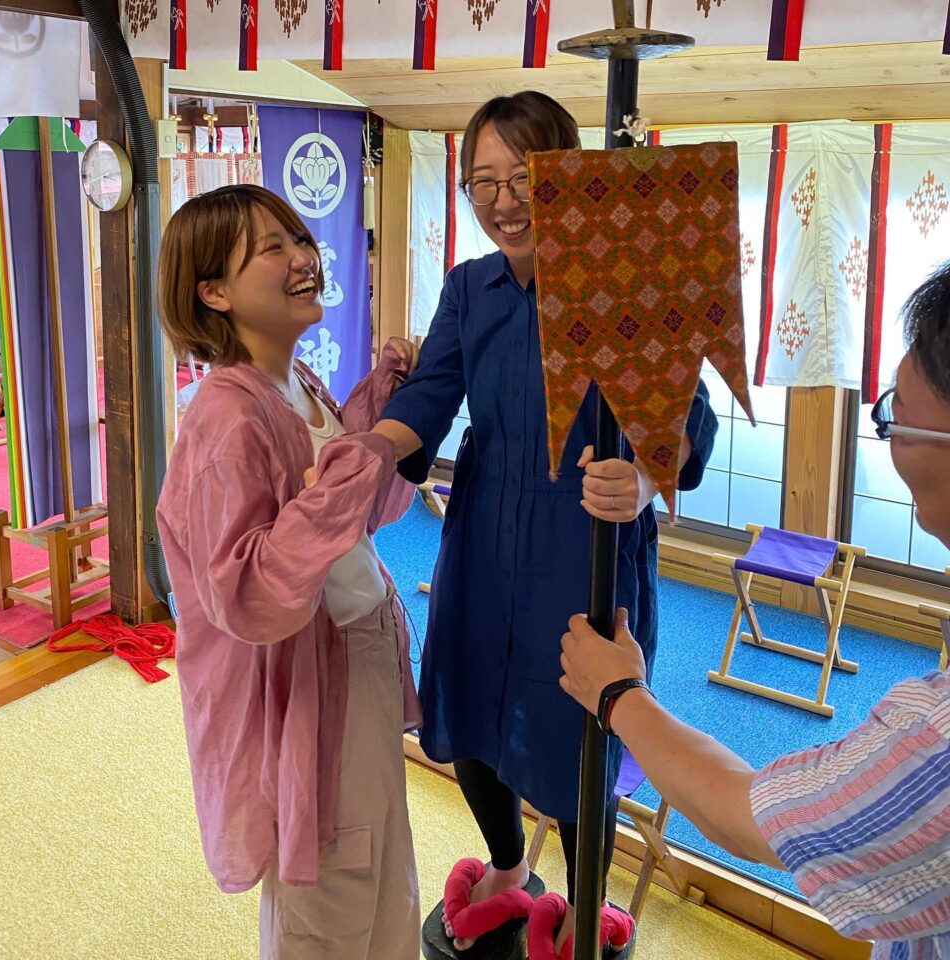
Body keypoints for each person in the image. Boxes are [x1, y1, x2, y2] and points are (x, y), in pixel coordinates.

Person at [372, 91, 719, 952]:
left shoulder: (625, 279)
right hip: (484, 531)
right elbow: (430, 396)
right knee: (470, 709)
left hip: (585, 541)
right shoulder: (468, 287)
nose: (502, 200)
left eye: (523, 175)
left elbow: (692, 411)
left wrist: (643, 480)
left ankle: (585, 899)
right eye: (481, 181)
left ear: (570, 173)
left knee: (580, 731)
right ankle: (505, 866)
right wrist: (362, 453)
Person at [559, 262, 950, 959]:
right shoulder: (489, 295)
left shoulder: (934, 740)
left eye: (892, 415)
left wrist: (653, 470)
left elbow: (756, 815)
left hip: (616, 580)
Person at [154, 184, 421, 960]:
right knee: (329, 881)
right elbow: (245, 594)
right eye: (272, 248)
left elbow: (357, 511)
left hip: (356, 654)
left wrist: (379, 414)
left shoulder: (296, 384)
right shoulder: (224, 418)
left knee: (381, 865)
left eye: (300, 239)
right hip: (307, 689)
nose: (302, 257)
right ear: (215, 291)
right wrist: (346, 472)